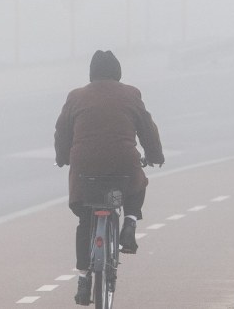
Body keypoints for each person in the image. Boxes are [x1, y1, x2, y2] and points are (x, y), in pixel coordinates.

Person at [54, 50, 164, 305]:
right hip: (123, 164)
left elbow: (62, 131)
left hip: (86, 169)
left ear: (91, 75)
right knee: (138, 182)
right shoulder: (131, 94)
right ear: (118, 74)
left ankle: (83, 278)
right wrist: (155, 155)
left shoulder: (76, 97)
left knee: (85, 220)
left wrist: (63, 157)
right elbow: (147, 128)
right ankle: (131, 222)